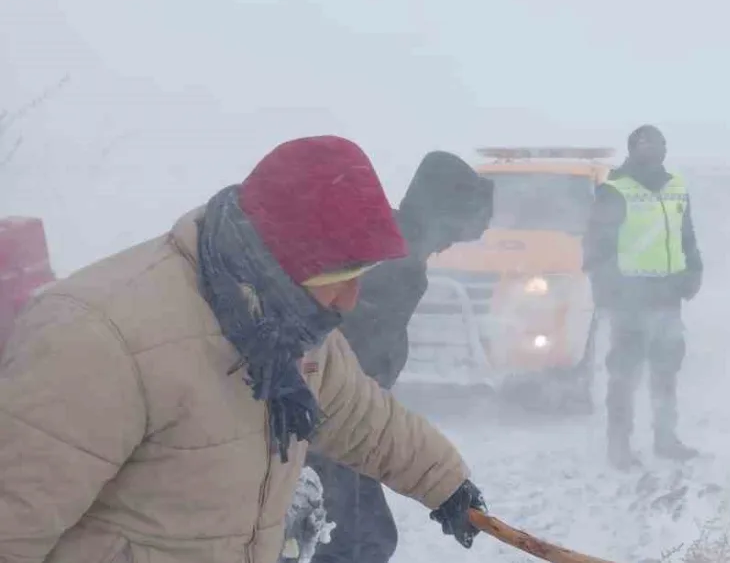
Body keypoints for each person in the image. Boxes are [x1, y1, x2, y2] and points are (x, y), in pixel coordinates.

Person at [0, 136, 487, 563]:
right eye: (337, 280)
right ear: (277, 260)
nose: (350, 301)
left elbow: (362, 417)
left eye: (359, 278)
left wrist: (445, 483)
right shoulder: (101, 339)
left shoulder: (290, 328)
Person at [305, 151, 494, 563]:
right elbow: (337, 363)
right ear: (442, 213)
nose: (451, 244)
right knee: (348, 545)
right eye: (456, 229)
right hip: (329, 421)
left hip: (350, 415)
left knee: (367, 539)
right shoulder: (392, 264)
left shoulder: (400, 250)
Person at [582, 124, 704, 469]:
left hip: (668, 296)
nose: (652, 150)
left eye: (658, 144)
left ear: (666, 148)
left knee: (666, 370)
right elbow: (595, 248)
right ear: (632, 149)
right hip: (629, 300)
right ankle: (618, 446)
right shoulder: (614, 190)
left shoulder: (676, 187)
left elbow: (688, 236)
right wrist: (609, 292)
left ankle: (666, 438)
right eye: (644, 144)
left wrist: (694, 271)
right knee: (625, 374)